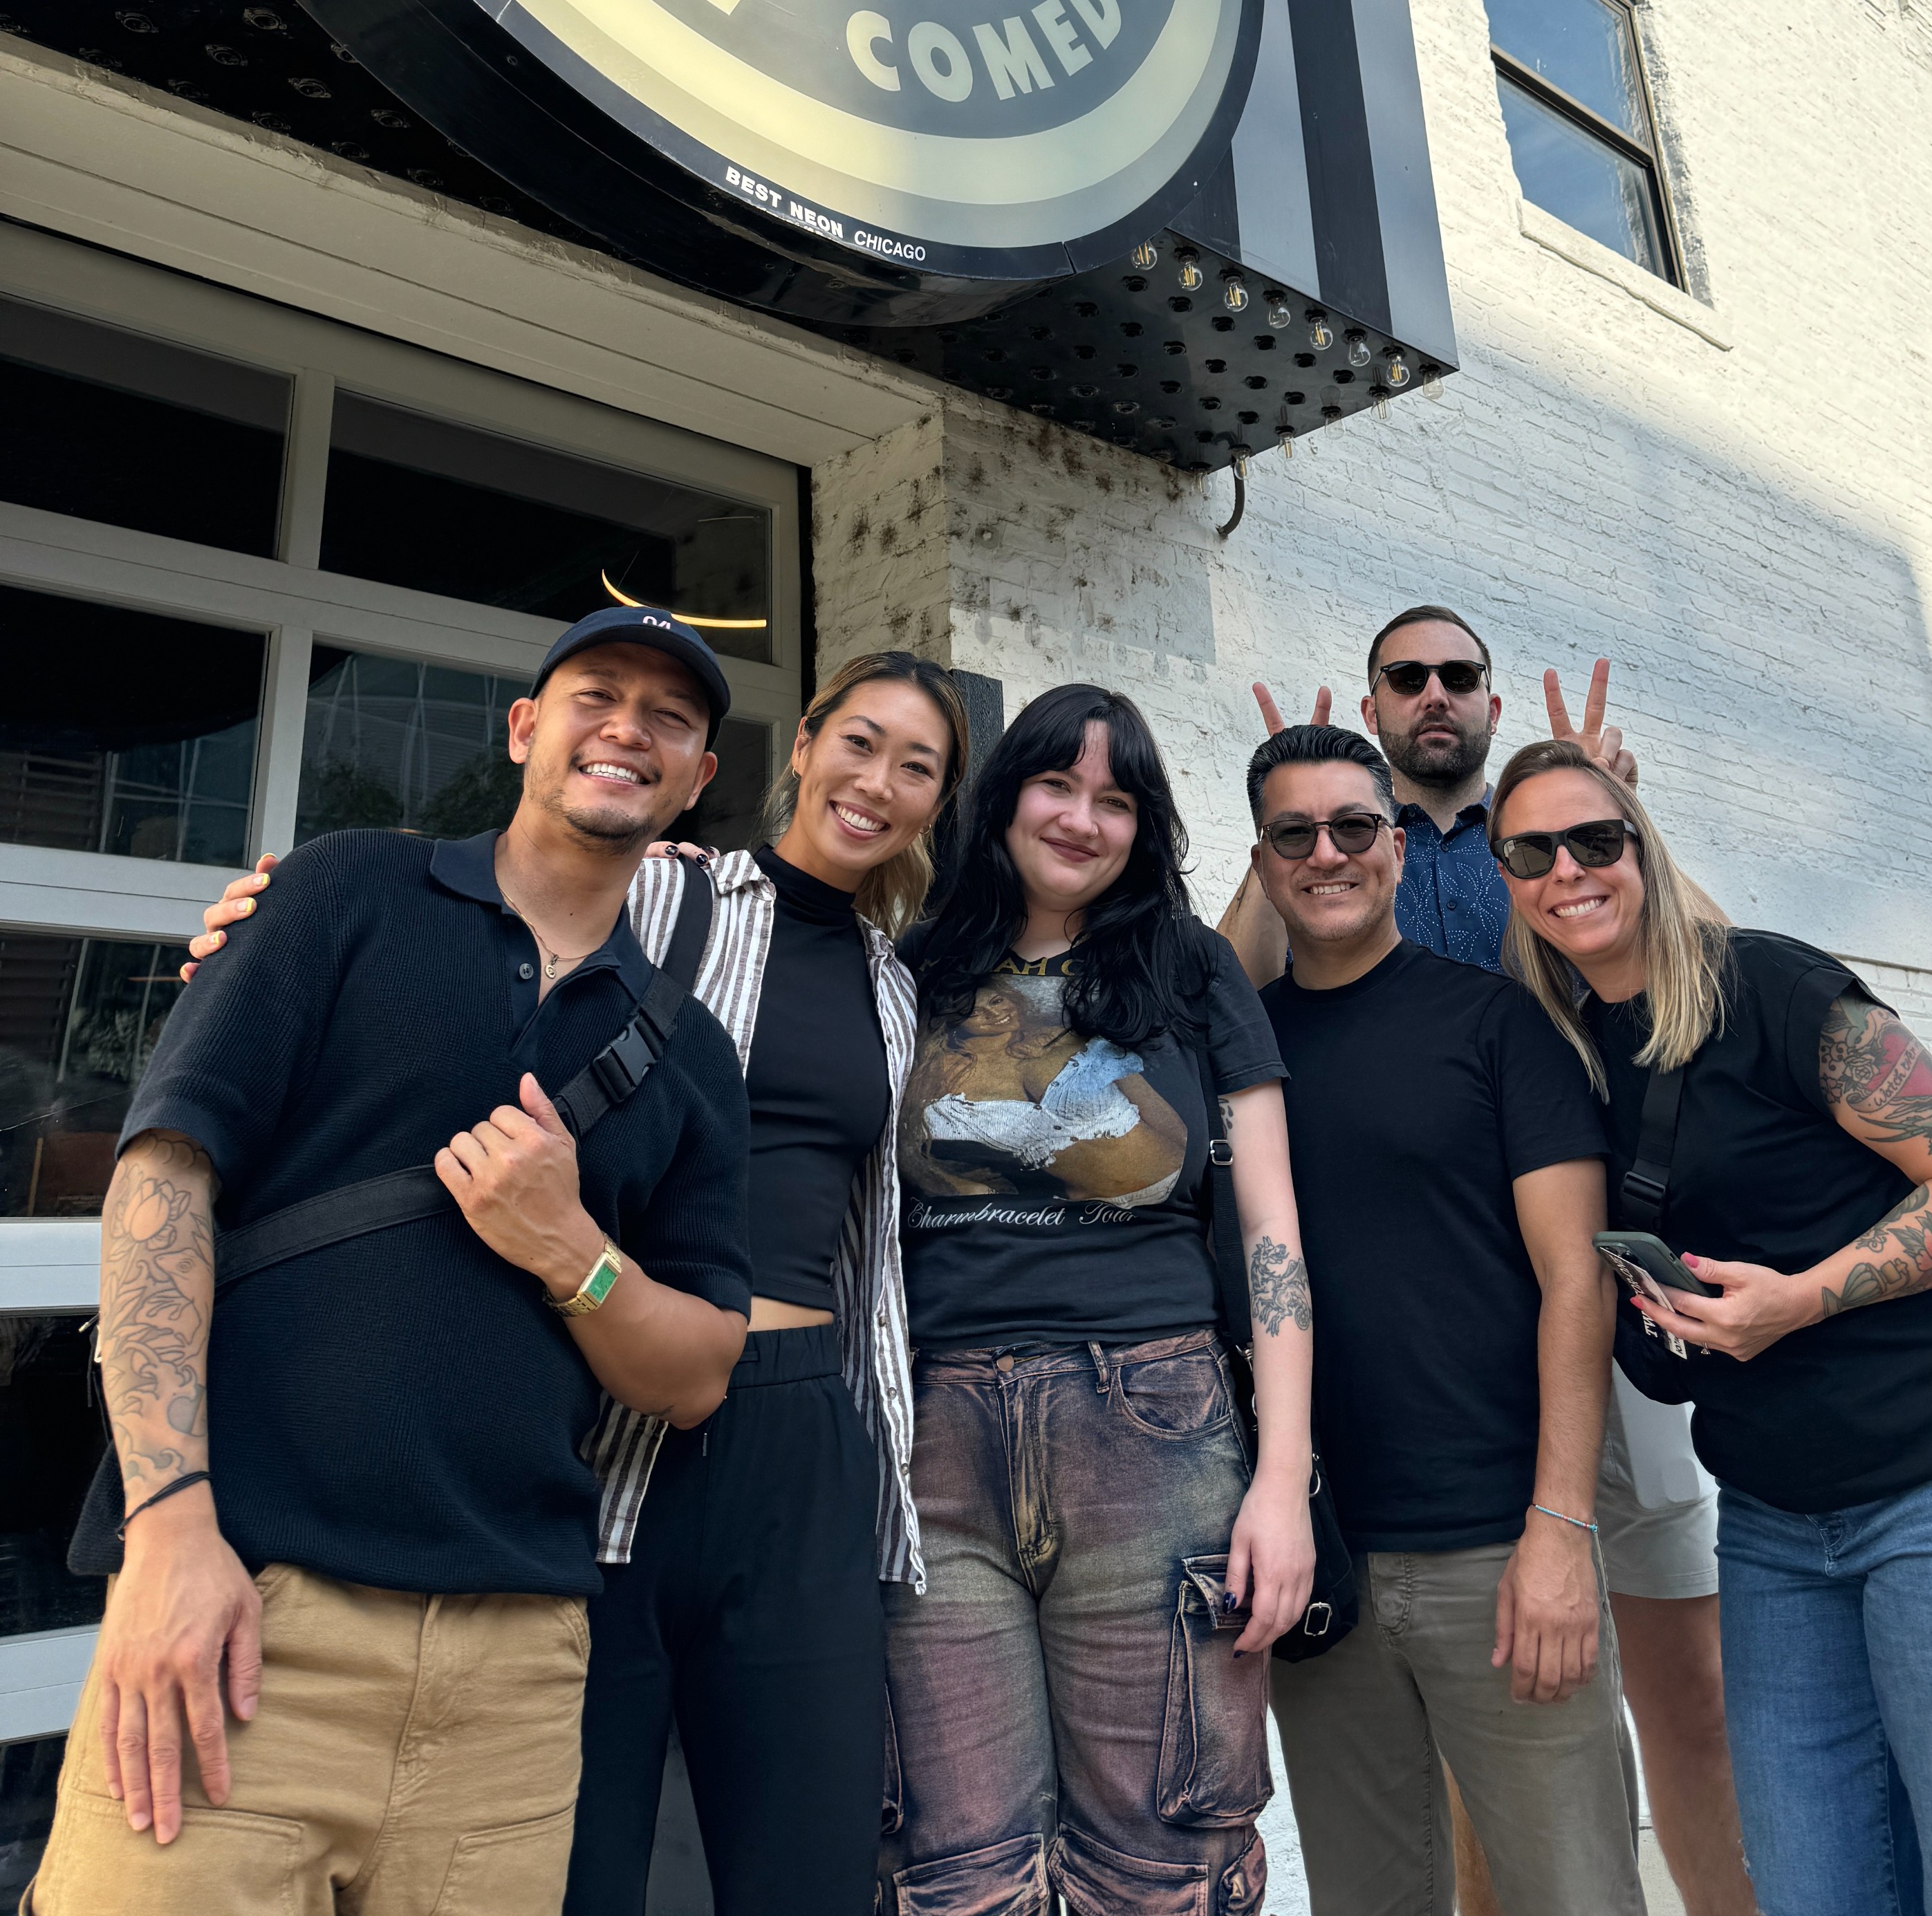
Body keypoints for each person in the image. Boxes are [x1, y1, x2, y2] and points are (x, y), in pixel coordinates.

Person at [192, 644, 970, 1916]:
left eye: (917, 765)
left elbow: (863, 1230)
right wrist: (257, 921)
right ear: (803, 747)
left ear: (938, 803)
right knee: (571, 1851)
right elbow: (501, 902)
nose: (878, 781)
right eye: (859, 742)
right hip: (616, 1417)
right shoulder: (669, 890)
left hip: (801, 1422)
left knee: (815, 1854)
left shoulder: (896, 986)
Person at [32, 606, 754, 1916]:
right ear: (529, 728)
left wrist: (573, 1251)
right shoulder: (345, 890)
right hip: (250, 1622)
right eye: (597, 695)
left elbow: (699, 1371)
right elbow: (162, 1178)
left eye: (671, 718)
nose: (628, 730)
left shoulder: (691, 1054)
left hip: (515, 1674)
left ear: (700, 778)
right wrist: (167, 1528)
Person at [1490, 735, 1932, 1916]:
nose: (1569, 868)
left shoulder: (1776, 989)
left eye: (1596, 838)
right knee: (1814, 1884)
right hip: (1778, 1523)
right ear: (1509, 882)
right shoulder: (1570, 1055)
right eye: (1533, 850)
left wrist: (1803, 1297)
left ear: (1643, 848)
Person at [1221, 609, 1756, 1916]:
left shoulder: (1539, 850)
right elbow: (1217, 1010)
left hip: (1587, 1308)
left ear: (1492, 702)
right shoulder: (1326, 878)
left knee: (1673, 1684)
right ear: (1377, 701)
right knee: (1454, 1737)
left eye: (1459, 675)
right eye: (1405, 679)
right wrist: (1296, 813)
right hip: (1395, 1393)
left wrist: (1615, 816)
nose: (1434, 696)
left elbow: (1708, 970)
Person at [881, 685, 1316, 1915]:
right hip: (933, 1437)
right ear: (1003, 798)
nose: (1080, 820)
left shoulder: (1190, 965)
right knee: (952, 1867)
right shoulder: (915, 968)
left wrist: (1280, 1483)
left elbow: (1272, 1233)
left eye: (1114, 800)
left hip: (1154, 1423)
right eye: (1055, 787)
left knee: (1161, 1859)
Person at [1242, 720, 1644, 1916]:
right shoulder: (1242, 1045)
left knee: (1573, 1895)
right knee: (1366, 1900)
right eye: (1293, 834)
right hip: (1323, 1561)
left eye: (1356, 826)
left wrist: (1563, 1530)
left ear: (1401, 848)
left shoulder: (1499, 1024)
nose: (1328, 854)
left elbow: (1581, 1281)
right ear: (1261, 862)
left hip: (1502, 1551)